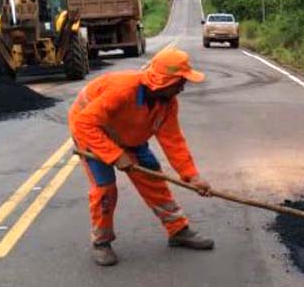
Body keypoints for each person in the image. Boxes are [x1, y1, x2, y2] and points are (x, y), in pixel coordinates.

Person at [68, 47, 214, 266]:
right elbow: (84, 123)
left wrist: (192, 176)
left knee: (154, 178)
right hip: (92, 135)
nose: (183, 87)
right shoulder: (123, 89)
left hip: (130, 138)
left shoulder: (168, 103)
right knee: (105, 188)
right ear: (163, 81)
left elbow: (173, 141)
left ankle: (178, 231)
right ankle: (101, 242)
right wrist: (115, 155)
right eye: (180, 81)